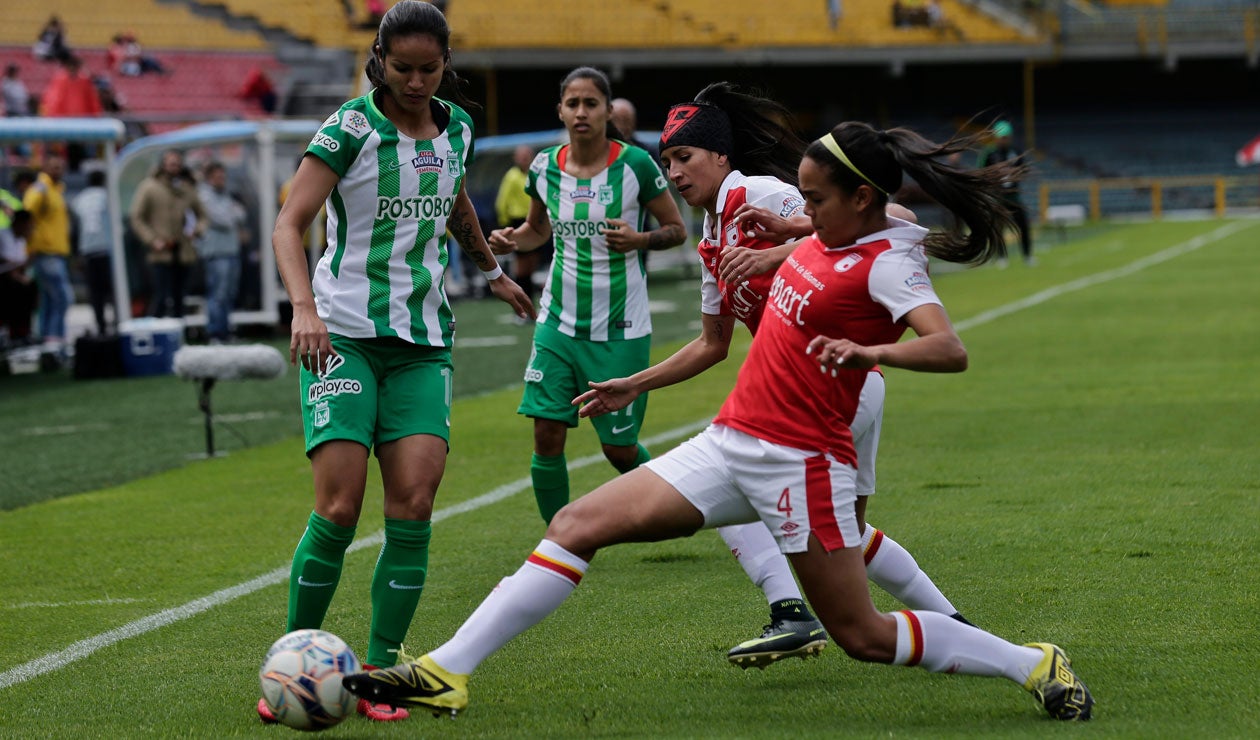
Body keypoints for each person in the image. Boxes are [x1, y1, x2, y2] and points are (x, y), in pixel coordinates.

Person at [343, 119, 1095, 723]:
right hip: (730, 441)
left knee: (863, 635)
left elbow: (949, 348)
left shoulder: (888, 258)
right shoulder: (820, 234)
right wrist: (781, 246)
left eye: (814, 199)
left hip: (801, 463)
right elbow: (806, 251)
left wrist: (871, 350)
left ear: (860, 198)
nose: (801, 208)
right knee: (575, 525)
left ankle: (1031, 661)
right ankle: (446, 671)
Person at [566, 82, 972, 669]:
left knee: (724, 477)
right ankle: (955, 628)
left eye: (684, 157)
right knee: (843, 535)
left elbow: (890, 219)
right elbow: (712, 345)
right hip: (830, 390)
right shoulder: (712, 236)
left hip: (830, 388)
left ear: (720, 157)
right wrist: (635, 383)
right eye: (667, 161)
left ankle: (791, 612)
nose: (674, 173)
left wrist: (779, 247)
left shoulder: (756, 193)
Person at [263, 0, 534, 726]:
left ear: (446, 64)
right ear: (379, 60)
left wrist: (492, 272)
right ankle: (288, 668)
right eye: (402, 68)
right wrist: (304, 309)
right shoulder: (348, 129)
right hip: (341, 336)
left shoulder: (459, 129)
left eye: (429, 69)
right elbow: (289, 223)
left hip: (423, 343)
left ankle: (380, 674)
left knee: (413, 504)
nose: (415, 82)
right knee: (339, 507)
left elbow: (454, 204)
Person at [487, 66, 687, 524]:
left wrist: (640, 240)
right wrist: (512, 241)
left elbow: (676, 230)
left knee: (619, 450)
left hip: (620, 326)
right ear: (560, 110)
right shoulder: (543, 167)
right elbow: (538, 230)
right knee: (546, 434)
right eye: (573, 103)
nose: (581, 112)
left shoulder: (635, 165)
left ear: (606, 111)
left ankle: (681, 506)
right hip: (557, 322)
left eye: (590, 103)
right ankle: (559, 544)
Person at [129, 149, 205, 318]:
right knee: (161, 296)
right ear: (163, 165)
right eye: (171, 164)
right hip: (161, 251)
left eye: (177, 164)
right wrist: (152, 239)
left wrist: (196, 230)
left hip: (183, 251)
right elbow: (137, 217)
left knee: (180, 297)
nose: (174, 167)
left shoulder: (186, 187)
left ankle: (178, 330)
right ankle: (156, 329)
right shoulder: (150, 187)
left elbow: (202, 215)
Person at [22, 155, 74, 358]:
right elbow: (25, 217)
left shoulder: (56, 190)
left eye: (60, 166)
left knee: (50, 301)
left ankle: (49, 345)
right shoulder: (40, 190)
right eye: (53, 167)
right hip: (46, 253)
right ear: (45, 168)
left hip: (57, 253)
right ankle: (54, 343)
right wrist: (32, 245)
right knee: (62, 298)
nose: (58, 170)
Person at [196, 162, 247, 343]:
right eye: (218, 177)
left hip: (231, 250)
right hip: (216, 253)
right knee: (217, 295)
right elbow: (223, 219)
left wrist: (232, 213)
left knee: (229, 295)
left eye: (223, 177)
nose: (221, 180)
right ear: (209, 178)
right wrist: (232, 212)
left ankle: (226, 332)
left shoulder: (224, 195)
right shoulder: (204, 197)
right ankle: (215, 333)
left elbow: (242, 214)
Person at [979, 120, 1033, 266]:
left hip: (1014, 197)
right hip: (997, 198)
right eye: (1001, 137)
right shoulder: (989, 153)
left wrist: (1015, 173)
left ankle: (1028, 256)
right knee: (998, 228)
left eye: (1006, 137)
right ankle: (1002, 257)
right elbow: (980, 172)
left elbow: (1025, 170)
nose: (1004, 140)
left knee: (1023, 225)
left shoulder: (1016, 152)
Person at [69, 169, 113, 335]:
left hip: (87, 252)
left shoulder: (79, 199)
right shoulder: (108, 197)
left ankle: (101, 326)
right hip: (106, 250)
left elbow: (74, 230)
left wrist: (76, 254)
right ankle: (117, 323)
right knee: (112, 291)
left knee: (96, 293)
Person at [493, 145, 537, 307]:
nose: (524, 159)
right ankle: (521, 305)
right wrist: (504, 224)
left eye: (527, 155)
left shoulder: (535, 174)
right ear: (515, 158)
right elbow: (502, 201)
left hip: (535, 222)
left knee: (531, 265)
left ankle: (530, 302)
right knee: (522, 267)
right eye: (521, 156)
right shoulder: (511, 176)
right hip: (518, 222)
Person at [0, 210, 37, 347]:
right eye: (29, 225)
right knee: (18, 289)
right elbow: (8, 263)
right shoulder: (3, 235)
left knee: (30, 288)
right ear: (20, 224)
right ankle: (12, 333)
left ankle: (22, 333)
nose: (31, 228)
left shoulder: (21, 240)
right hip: (4, 279)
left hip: (13, 278)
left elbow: (19, 266)